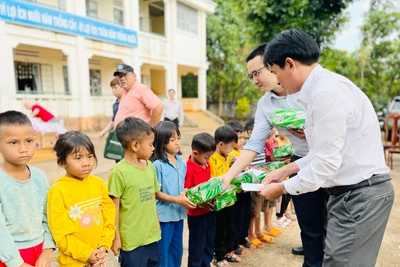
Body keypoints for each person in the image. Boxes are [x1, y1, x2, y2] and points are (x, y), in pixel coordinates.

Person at [260, 29, 395, 266]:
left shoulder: (326, 93)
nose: (277, 81)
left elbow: (325, 163)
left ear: (290, 64)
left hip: (359, 195)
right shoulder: (320, 91)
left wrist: (282, 188)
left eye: (275, 72)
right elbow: (322, 153)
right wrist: (286, 170)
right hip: (349, 194)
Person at [220, 43, 326, 267]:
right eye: (250, 77)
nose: (255, 80)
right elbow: (254, 145)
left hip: (327, 158)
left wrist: (312, 132)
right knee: (309, 224)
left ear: (272, 65)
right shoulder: (265, 104)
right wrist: (228, 176)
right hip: (299, 163)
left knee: (332, 222)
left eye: (256, 73)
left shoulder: (308, 88)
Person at [47, 131, 116, 267]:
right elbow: (62, 235)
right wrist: (87, 254)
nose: (86, 163)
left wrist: (103, 246)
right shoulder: (58, 191)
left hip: (99, 259)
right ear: (62, 162)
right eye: (78, 158)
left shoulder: (99, 184)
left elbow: (109, 219)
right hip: (73, 263)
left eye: (90, 156)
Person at [0, 111, 55, 267]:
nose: (23, 148)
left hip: (38, 253)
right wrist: (16, 263)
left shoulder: (39, 177)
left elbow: (47, 215)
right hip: (7, 255)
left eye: (29, 141)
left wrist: (47, 249)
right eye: (13, 143)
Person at [108, 117, 161, 267]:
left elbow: (152, 199)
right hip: (131, 242)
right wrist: (116, 238)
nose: (153, 148)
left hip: (151, 237)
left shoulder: (150, 166)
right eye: (150, 144)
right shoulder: (118, 172)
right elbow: (114, 208)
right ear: (135, 145)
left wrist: (156, 226)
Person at [151, 121, 196, 267]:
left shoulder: (180, 161)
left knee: (177, 252)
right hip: (164, 216)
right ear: (162, 142)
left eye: (178, 138)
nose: (177, 143)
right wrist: (176, 200)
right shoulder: (157, 165)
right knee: (163, 252)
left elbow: (183, 186)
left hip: (179, 214)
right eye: (172, 140)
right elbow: (156, 193)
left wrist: (187, 193)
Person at [210, 125, 243, 267]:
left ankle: (228, 251)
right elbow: (213, 181)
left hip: (229, 200)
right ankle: (218, 257)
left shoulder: (228, 157)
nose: (231, 150)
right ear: (221, 144)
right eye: (230, 146)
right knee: (220, 230)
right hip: (219, 202)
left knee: (230, 228)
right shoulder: (212, 159)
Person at [185, 133, 217, 267]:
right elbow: (186, 192)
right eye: (206, 157)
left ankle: (206, 263)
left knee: (209, 242)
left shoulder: (207, 165)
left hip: (209, 211)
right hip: (196, 214)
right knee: (197, 245)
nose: (208, 160)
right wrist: (200, 202)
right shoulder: (188, 168)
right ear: (195, 152)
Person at [226, 121, 255, 252]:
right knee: (235, 218)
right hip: (236, 191)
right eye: (240, 137)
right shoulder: (230, 154)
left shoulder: (242, 152)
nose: (242, 141)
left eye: (244, 137)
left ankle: (242, 238)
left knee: (245, 214)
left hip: (246, 189)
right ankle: (234, 243)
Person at [113, 64, 164, 128]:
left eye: (125, 75)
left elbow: (158, 106)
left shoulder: (140, 89)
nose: (122, 78)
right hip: (125, 135)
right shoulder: (125, 92)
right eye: (120, 76)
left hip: (137, 135)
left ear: (134, 76)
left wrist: (152, 127)